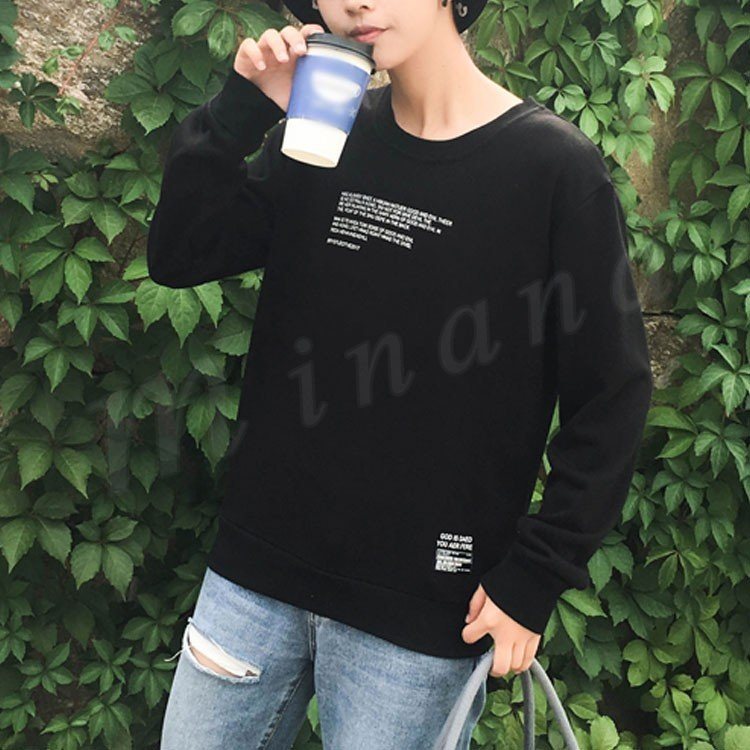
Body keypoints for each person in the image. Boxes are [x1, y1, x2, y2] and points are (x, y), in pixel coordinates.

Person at [150, 0, 653, 747]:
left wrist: (535, 578)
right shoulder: (326, 130)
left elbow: (612, 394)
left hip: (418, 614)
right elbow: (182, 253)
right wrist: (240, 110)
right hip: (255, 576)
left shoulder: (552, 169)